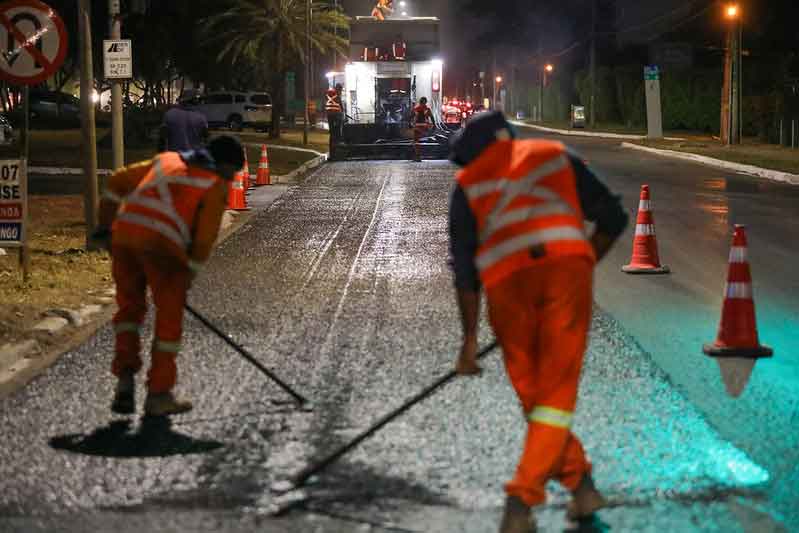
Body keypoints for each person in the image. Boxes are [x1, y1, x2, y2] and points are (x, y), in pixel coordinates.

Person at [447, 112, 628, 533]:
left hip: (507, 287)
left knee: (536, 395)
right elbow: (613, 219)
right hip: (566, 273)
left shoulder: (468, 184)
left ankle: (523, 497)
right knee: (554, 396)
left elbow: (465, 271)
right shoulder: (553, 154)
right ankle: (580, 487)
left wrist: (469, 341)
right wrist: (582, 264)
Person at [93, 136, 245, 417]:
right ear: (225, 165)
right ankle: (158, 395)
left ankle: (124, 384)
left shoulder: (166, 160)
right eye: (233, 172)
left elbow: (116, 182)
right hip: (163, 248)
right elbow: (203, 240)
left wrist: (104, 227)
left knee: (129, 311)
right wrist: (189, 273)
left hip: (125, 239)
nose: (232, 178)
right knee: (168, 324)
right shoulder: (215, 185)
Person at [412, 96, 433, 162]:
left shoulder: (416, 108)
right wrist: (434, 124)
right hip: (425, 126)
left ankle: (417, 155)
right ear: (425, 102)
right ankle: (418, 155)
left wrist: (410, 124)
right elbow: (432, 117)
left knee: (416, 141)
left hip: (417, 126)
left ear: (420, 101)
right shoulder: (427, 109)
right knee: (418, 141)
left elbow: (411, 116)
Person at [325, 84, 344, 156]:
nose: (341, 92)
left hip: (329, 115)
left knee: (332, 133)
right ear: (338, 89)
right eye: (341, 90)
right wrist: (342, 112)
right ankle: (337, 150)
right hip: (336, 115)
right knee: (337, 133)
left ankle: (331, 152)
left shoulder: (329, 93)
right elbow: (340, 104)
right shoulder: (337, 94)